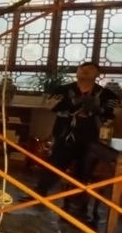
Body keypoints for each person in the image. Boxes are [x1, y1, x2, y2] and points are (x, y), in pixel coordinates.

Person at [21, 62, 119, 220]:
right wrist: (73, 102)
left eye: (90, 69)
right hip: (65, 134)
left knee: (83, 172)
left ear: (97, 74)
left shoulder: (106, 94)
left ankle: (78, 206)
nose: (85, 71)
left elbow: (112, 112)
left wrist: (98, 109)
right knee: (55, 165)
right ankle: (38, 194)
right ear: (77, 72)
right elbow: (51, 106)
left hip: (90, 138)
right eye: (82, 68)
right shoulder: (63, 90)